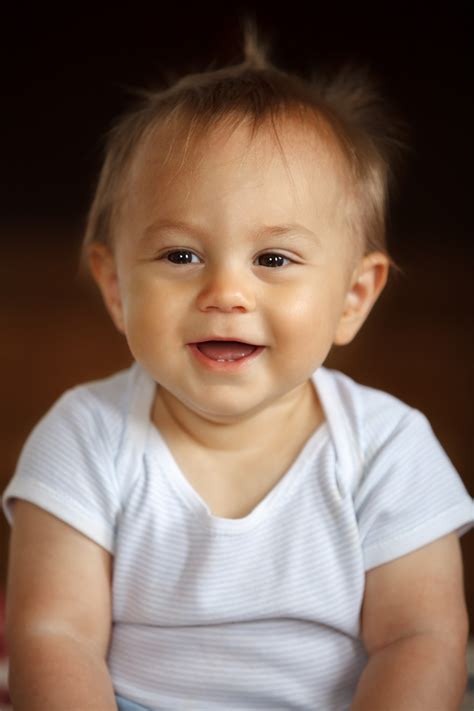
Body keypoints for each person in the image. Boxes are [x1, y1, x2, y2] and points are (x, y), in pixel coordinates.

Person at [2, 22, 473, 711]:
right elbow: (54, 633)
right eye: (181, 255)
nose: (225, 292)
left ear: (352, 297)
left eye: (273, 259)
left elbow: (420, 637)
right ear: (114, 288)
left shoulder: (386, 448)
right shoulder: (85, 436)